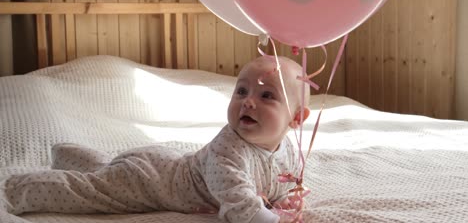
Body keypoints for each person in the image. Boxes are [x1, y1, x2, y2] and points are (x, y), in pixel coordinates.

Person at [0, 56, 310, 223]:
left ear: (296, 119)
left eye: (267, 96)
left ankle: (68, 156)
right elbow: (240, 205)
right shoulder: (228, 150)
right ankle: (12, 190)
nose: (248, 102)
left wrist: (285, 202)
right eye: (241, 91)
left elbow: (282, 184)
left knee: (107, 171)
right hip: (151, 181)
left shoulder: (290, 152)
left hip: (162, 162)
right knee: (92, 191)